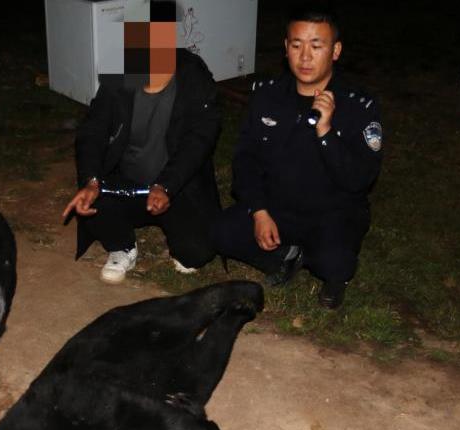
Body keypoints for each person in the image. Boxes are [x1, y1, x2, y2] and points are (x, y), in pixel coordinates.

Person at [209, 3, 382, 308]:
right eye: (297, 45)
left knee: (336, 264)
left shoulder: (358, 105)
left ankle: (323, 265)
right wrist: (259, 211)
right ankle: (285, 256)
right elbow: (246, 159)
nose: (305, 57)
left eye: (316, 46)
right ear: (286, 47)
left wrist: (326, 131)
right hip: (278, 206)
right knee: (219, 232)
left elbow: (359, 179)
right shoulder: (267, 95)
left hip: (332, 211)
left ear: (335, 51)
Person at [62, 0, 221, 284]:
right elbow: (93, 130)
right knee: (91, 201)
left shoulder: (193, 75)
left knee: (196, 252)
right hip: (127, 185)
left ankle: (180, 232)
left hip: (175, 187)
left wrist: (167, 185)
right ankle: (123, 246)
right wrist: (91, 180)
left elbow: (200, 139)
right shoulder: (119, 76)